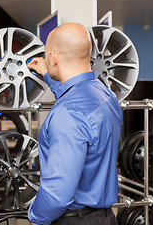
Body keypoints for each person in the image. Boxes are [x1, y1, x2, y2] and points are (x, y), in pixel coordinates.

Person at [27, 23, 122, 225]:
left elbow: (58, 194)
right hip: (105, 217)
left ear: (53, 58)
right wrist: (48, 75)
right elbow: (75, 97)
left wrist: (36, 217)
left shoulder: (67, 113)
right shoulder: (106, 95)